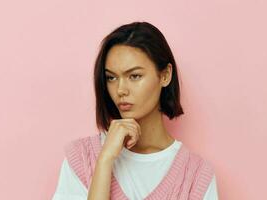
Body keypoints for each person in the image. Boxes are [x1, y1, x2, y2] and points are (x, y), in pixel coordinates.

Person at [52, 21, 219, 200]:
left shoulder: (195, 176)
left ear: (165, 75)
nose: (121, 89)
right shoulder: (82, 158)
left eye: (134, 76)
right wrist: (105, 160)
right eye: (111, 77)